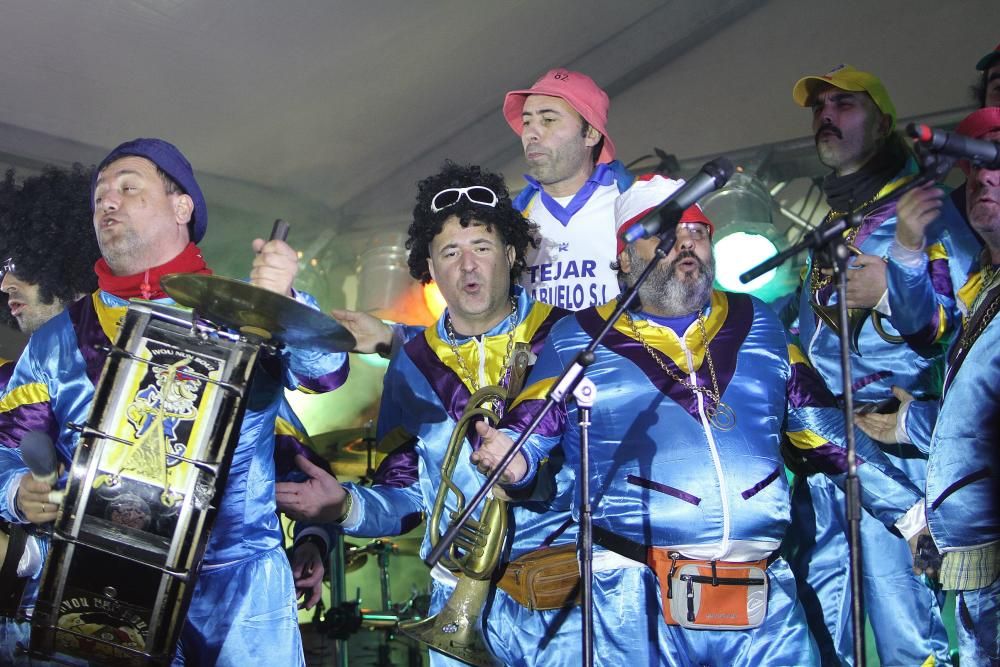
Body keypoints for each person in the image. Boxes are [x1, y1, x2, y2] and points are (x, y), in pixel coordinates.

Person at [469, 174, 930, 666]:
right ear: (625, 258)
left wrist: (913, 515)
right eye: (666, 231)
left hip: (761, 595)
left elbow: (823, 431)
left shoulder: (760, 323)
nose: (686, 242)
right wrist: (511, 462)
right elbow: (530, 431)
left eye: (698, 231)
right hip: (633, 597)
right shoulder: (576, 336)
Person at [0, 138, 349, 666]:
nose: (107, 203)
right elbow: (4, 448)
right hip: (101, 594)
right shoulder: (57, 340)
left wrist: (287, 302)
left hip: (238, 598)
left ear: (182, 206)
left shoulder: (245, 312)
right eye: (99, 197)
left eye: (128, 188)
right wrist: (14, 490)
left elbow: (326, 374)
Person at [278, 162, 586, 666]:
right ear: (429, 268)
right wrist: (344, 509)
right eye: (450, 252)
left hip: (562, 604)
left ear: (510, 253)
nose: (468, 266)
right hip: (452, 601)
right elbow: (407, 496)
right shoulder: (411, 365)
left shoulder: (568, 336)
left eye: (482, 248)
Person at [783, 64, 977, 665]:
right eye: (819, 107)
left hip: (894, 460)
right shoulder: (829, 224)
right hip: (825, 466)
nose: (826, 116)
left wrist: (893, 288)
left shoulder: (924, 209)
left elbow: (955, 329)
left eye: (845, 104)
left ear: (885, 122)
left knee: (908, 642)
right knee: (820, 637)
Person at [858, 106, 1000, 666]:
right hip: (979, 554)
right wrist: (909, 248)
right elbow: (971, 402)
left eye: (997, 162)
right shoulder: (983, 287)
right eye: (974, 167)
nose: (984, 176)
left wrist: (912, 422)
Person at [0, 164, 100, 665]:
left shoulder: (154, 357)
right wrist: (12, 491)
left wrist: (315, 540)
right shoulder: (4, 380)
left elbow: (274, 445)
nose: (4, 283)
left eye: (18, 262)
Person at [503, 68, 633, 310]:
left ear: (591, 133)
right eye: (527, 121)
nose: (530, 133)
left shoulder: (633, 202)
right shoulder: (511, 218)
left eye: (548, 120)